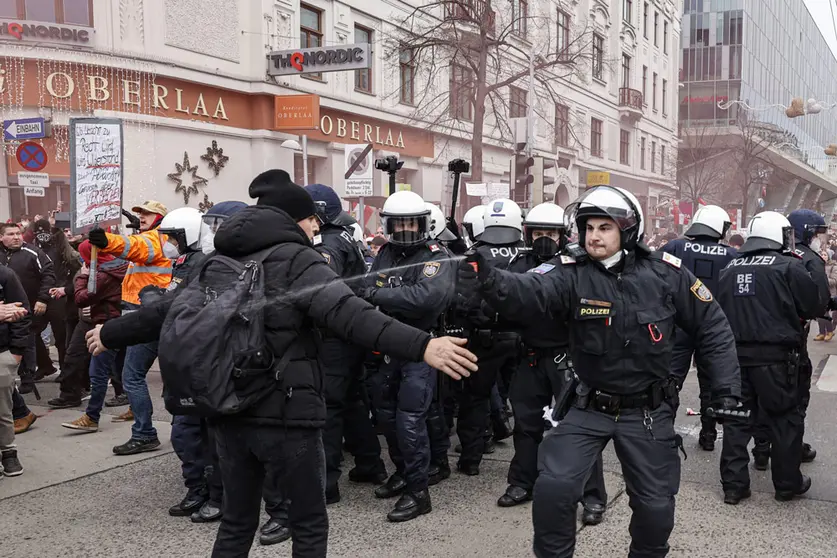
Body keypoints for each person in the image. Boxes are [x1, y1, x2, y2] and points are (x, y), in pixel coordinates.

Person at [87, 172, 476, 556]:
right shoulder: (298, 260)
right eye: (310, 220)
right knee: (308, 523)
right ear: (294, 220)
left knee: (237, 523)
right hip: (288, 412)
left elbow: (170, 310)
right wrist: (423, 345)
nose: (315, 228)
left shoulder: (219, 258)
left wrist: (111, 334)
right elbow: (350, 313)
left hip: (228, 407)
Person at [458, 185, 740, 557]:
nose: (594, 236)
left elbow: (713, 327)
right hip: (588, 405)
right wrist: (489, 280)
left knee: (656, 508)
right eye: (589, 227)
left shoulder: (666, 274)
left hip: (648, 412)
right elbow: (529, 290)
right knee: (554, 490)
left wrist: (725, 390)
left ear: (627, 230)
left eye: (604, 227)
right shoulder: (569, 272)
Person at [496, 202, 608, 526]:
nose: (545, 238)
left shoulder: (576, 265)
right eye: (539, 232)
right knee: (525, 424)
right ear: (528, 233)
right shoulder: (520, 263)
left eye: (551, 233)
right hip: (530, 354)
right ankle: (521, 483)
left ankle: (592, 498)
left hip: (565, 356)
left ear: (563, 235)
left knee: (581, 427)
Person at [363, 190, 457, 522]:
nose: (404, 230)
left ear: (424, 224)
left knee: (410, 418)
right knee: (385, 415)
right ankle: (403, 471)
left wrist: (381, 294)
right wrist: (385, 293)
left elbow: (426, 298)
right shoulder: (386, 251)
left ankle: (418, 492)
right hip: (388, 344)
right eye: (397, 224)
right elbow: (369, 284)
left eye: (410, 224)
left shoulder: (437, 255)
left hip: (422, 346)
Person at [716, 211, 821, 504]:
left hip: (735, 358)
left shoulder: (729, 267)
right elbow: (813, 304)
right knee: (784, 419)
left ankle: (734, 486)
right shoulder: (788, 266)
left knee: (736, 421)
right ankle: (787, 483)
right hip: (777, 359)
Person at [304, 184, 387, 505]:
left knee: (329, 408)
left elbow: (320, 287)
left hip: (334, 335)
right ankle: (370, 464)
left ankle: (326, 484)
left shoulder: (327, 243)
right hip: (351, 331)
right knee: (352, 403)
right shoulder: (345, 234)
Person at [87, 201, 172, 455]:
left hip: (144, 320)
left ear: (161, 218)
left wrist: (106, 240)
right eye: (140, 213)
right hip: (149, 318)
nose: (142, 216)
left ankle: (145, 433)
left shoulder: (155, 238)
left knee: (131, 376)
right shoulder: (159, 239)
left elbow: (134, 247)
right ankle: (180, 428)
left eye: (147, 213)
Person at [749, 209, 831, 469]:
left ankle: (761, 449)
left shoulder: (764, 258)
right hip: (789, 340)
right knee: (792, 401)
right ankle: (791, 452)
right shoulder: (804, 259)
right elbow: (817, 303)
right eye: (817, 233)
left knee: (759, 398)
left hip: (753, 339)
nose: (821, 239)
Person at [452, 199, 522, 476]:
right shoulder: (526, 254)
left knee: (475, 400)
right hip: (520, 338)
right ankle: (530, 465)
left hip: (484, 340)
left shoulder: (474, 255)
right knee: (526, 403)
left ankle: (471, 459)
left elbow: (461, 300)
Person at [661, 205, 738, 451]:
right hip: (711, 327)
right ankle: (708, 434)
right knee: (710, 383)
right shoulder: (731, 255)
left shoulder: (674, 247)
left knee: (670, 380)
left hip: (677, 325)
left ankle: (663, 430)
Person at [59, 241, 128, 429]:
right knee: (126, 370)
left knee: (98, 372)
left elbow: (82, 298)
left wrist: (83, 276)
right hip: (115, 320)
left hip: (106, 324)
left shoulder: (102, 274)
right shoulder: (118, 266)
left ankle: (92, 417)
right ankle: (136, 409)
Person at [0, 222, 55, 393]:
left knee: (28, 342)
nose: (16, 237)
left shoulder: (33, 252)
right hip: (3, 311)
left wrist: (42, 299)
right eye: (11, 234)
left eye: (18, 233)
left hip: (28, 307)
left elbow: (49, 274)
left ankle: (27, 378)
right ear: (1, 237)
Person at [0, 269, 32, 479]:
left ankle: (8, 453)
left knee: (3, 408)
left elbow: (22, 313)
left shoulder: (5, 275)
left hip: (2, 353)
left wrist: (16, 354)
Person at [816, 252, 837, 341]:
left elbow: (834, 280)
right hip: (818, 293)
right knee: (818, 314)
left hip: (830, 293)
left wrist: (822, 278)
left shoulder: (833, 266)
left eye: (825, 254)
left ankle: (829, 331)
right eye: (821, 254)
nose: (823, 256)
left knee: (825, 313)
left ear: (828, 256)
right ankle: (821, 333)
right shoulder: (816, 265)